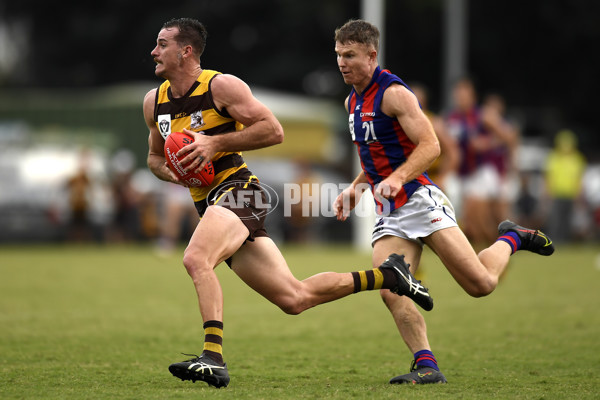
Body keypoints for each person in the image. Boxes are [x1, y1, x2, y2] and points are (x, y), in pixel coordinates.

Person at [143, 17, 433, 388]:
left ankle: (212, 357)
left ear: (186, 51)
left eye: (162, 44)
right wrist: (177, 173)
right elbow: (154, 158)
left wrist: (215, 144)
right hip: (210, 204)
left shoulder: (220, 86)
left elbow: (273, 130)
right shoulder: (155, 102)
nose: (154, 51)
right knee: (294, 298)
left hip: (240, 191)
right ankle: (391, 276)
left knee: (196, 258)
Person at [331, 19, 555, 385]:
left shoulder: (394, 94)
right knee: (390, 287)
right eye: (339, 54)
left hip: (419, 200)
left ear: (372, 55)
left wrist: (398, 178)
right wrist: (355, 188)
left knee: (480, 284)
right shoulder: (351, 101)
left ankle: (513, 237)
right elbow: (373, 158)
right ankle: (427, 365)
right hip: (391, 211)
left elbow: (432, 145)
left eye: (350, 55)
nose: (342, 62)